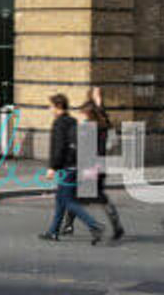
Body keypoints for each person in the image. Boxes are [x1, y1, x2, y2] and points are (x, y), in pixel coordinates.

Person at [40, 93, 103, 245]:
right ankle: (53, 231)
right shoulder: (73, 121)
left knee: (67, 200)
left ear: (58, 106)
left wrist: (53, 167)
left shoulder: (59, 123)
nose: (50, 109)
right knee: (61, 199)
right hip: (76, 166)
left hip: (66, 168)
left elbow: (59, 147)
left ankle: (94, 225)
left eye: (51, 106)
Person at [61, 101, 124, 239]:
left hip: (92, 168)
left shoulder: (93, 129)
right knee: (82, 197)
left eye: (82, 114)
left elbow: (99, 150)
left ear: (88, 114)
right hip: (95, 167)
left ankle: (69, 225)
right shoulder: (101, 127)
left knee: (76, 197)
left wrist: (92, 168)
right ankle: (69, 225)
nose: (81, 116)